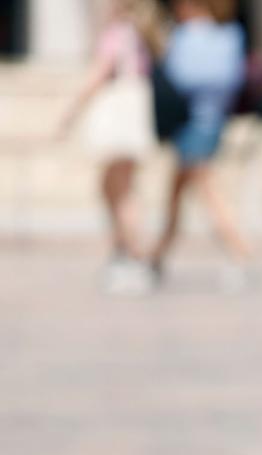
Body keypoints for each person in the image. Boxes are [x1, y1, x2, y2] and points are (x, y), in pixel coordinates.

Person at [58, 0, 161, 295]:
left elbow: (98, 75)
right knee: (113, 187)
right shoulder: (138, 31)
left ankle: (136, 257)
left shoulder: (118, 32)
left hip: (121, 121)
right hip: (132, 117)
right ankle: (122, 252)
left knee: (121, 190)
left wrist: (70, 112)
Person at [148, 0, 251, 291]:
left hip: (193, 122)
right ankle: (157, 254)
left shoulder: (186, 37)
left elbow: (178, 77)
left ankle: (241, 251)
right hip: (213, 119)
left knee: (207, 191)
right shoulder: (230, 36)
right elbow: (233, 79)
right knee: (177, 191)